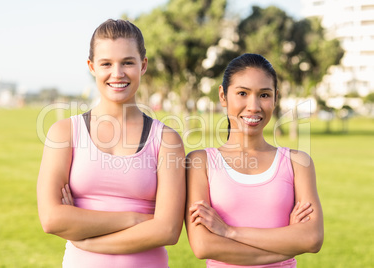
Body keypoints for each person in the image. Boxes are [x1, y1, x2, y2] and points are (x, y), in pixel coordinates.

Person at [37, 19, 186, 268]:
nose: (117, 73)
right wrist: (135, 219)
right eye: (106, 63)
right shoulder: (64, 133)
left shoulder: (167, 140)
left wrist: (87, 238)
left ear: (143, 65)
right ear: (92, 66)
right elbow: (52, 219)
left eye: (128, 62)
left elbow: (168, 230)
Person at [185, 53, 323, 267]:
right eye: (242, 93)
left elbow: (312, 239)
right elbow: (204, 246)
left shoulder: (298, 162)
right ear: (223, 96)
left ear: (275, 98)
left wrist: (228, 232)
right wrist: (288, 242)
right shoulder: (199, 162)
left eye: (264, 95)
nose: (254, 106)